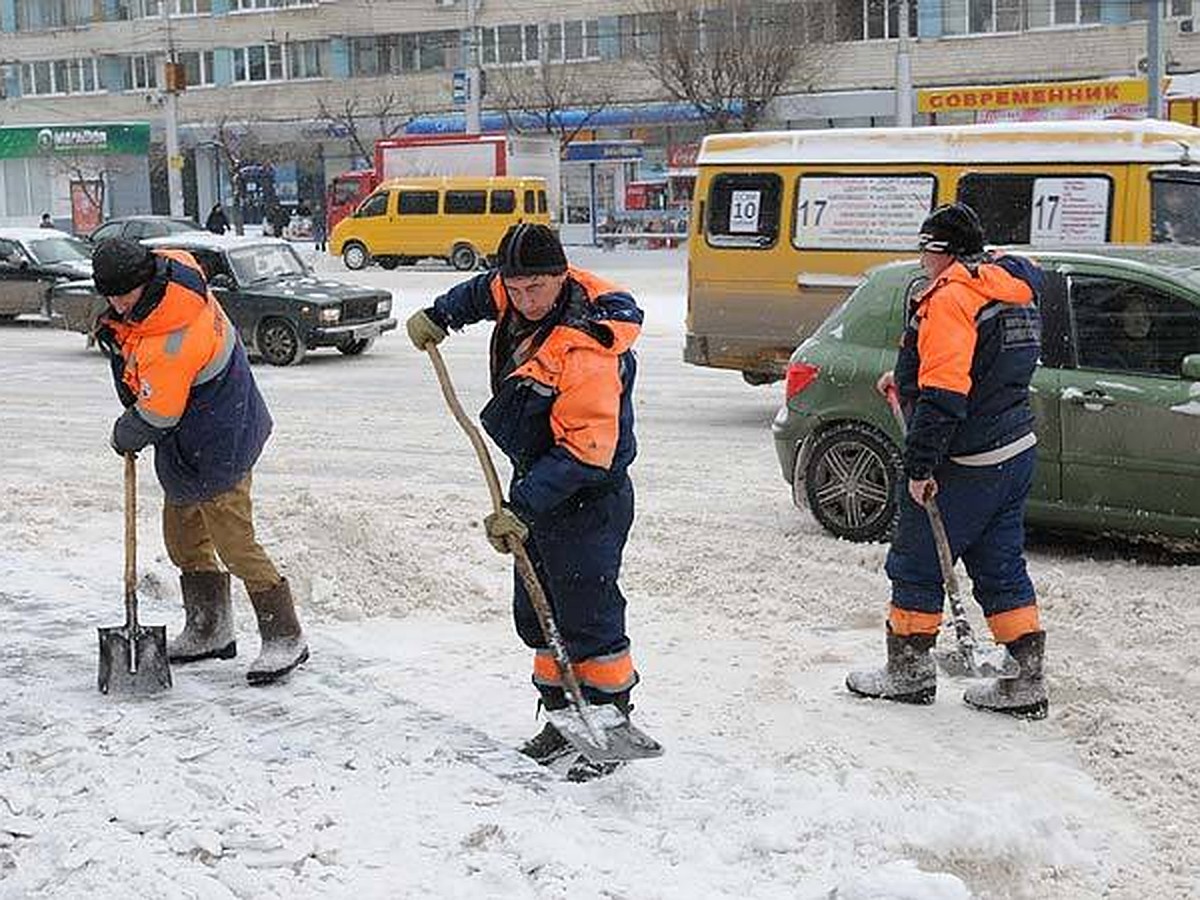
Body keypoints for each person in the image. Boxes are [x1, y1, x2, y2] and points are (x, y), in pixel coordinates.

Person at [405, 223, 645, 777]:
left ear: (560, 278)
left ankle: (607, 724)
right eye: (515, 290)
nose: (523, 300)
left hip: (589, 493)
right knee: (538, 612)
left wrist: (523, 507)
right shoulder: (512, 290)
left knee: (587, 616)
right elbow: (480, 291)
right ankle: (561, 718)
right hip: (538, 482)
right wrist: (441, 315)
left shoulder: (588, 347)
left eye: (535, 290)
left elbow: (588, 452)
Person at [845, 203, 1049, 720]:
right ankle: (1024, 676)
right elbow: (987, 368)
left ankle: (908, 672)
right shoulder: (1008, 290)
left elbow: (946, 396)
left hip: (966, 459)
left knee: (916, 561)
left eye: (924, 251)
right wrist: (907, 382)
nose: (920, 261)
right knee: (1000, 565)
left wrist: (919, 468)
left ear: (941, 253)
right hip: (1013, 448)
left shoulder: (952, 299)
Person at [91, 237, 308, 686]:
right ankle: (211, 627)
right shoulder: (170, 269)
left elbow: (158, 412)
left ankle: (285, 635)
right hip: (192, 433)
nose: (115, 303)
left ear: (143, 281)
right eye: (108, 294)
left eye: (121, 294)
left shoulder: (170, 343)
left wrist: (126, 431)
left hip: (218, 436)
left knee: (234, 542)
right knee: (183, 536)